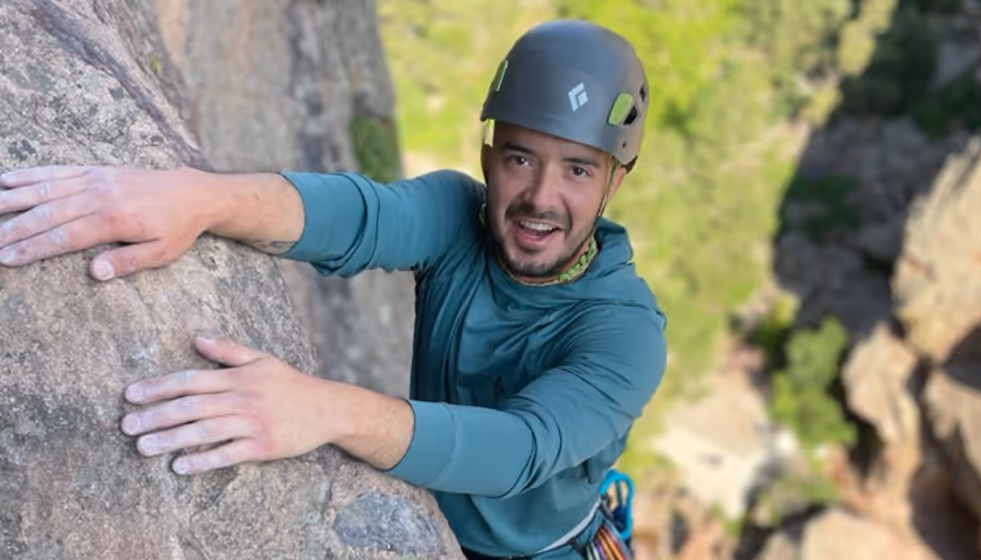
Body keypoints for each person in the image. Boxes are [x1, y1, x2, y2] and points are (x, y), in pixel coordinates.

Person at [0, 19, 666, 560]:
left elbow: (519, 448)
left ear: (615, 182)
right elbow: (356, 217)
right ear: (489, 154)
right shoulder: (459, 215)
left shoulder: (626, 333)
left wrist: (322, 410)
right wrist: (199, 198)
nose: (540, 199)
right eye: (521, 158)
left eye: (577, 170)